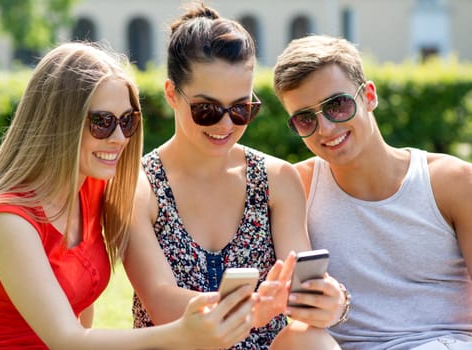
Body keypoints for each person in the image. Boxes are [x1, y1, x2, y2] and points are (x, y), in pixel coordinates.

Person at [0, 41, 261, 349]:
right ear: (59, 124)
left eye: (128, 122)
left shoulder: (92, 188)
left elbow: (81, 313)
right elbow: (66, 339)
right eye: (102, 122)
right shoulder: (6, 219)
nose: (119, 138)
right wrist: (181, 334)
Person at [123, 3, 347, 349]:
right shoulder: (139, 185)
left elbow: (301, 295)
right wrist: (253, 311)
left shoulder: (276, 179)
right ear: (172, 94)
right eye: (207, 110)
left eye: (242, 108)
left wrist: (327, 303)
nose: (226, 125)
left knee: (313, 338)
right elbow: (162, 302)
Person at [271, 34, 472, 350]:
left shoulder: (451, 181)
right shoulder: (298, 186)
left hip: (441, 342)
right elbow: (298, 313)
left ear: (369, 96)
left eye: (337, 105)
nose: (324, 129)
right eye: (305, 119)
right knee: (296, 339)